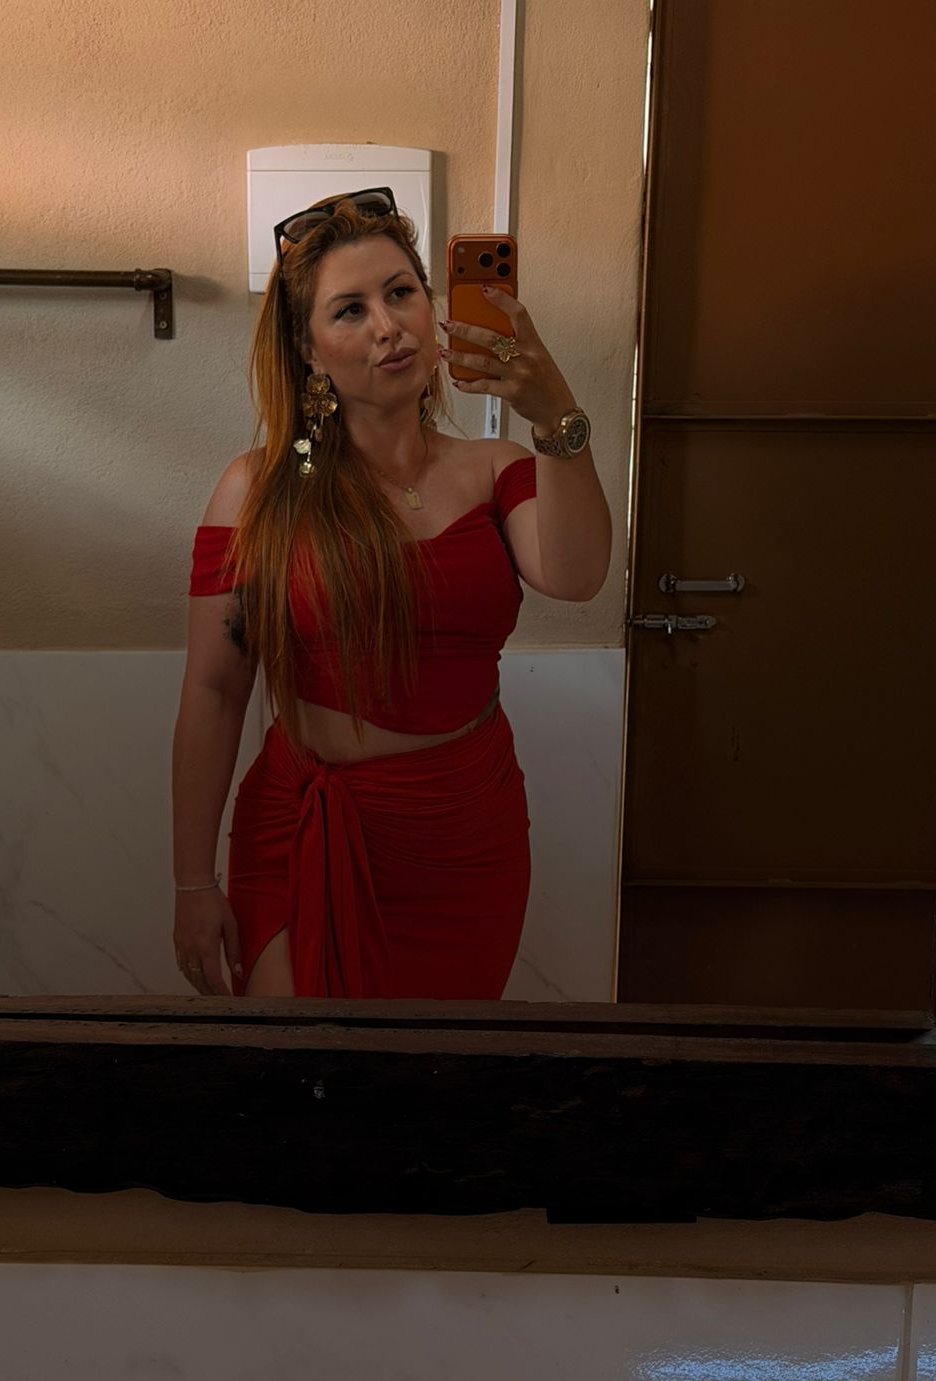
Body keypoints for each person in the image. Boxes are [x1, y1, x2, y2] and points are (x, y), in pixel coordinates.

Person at [171, 189, 609, 998]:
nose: (387, 326)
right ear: (309, 350)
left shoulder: (497, 471)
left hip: (463, 838)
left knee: (435, 1068)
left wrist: (557, 418)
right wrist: (193, 882)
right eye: (350, 310)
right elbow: (215, 687)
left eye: (401, 293)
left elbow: (576, 576)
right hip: (304, 829)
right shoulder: (262, 489)